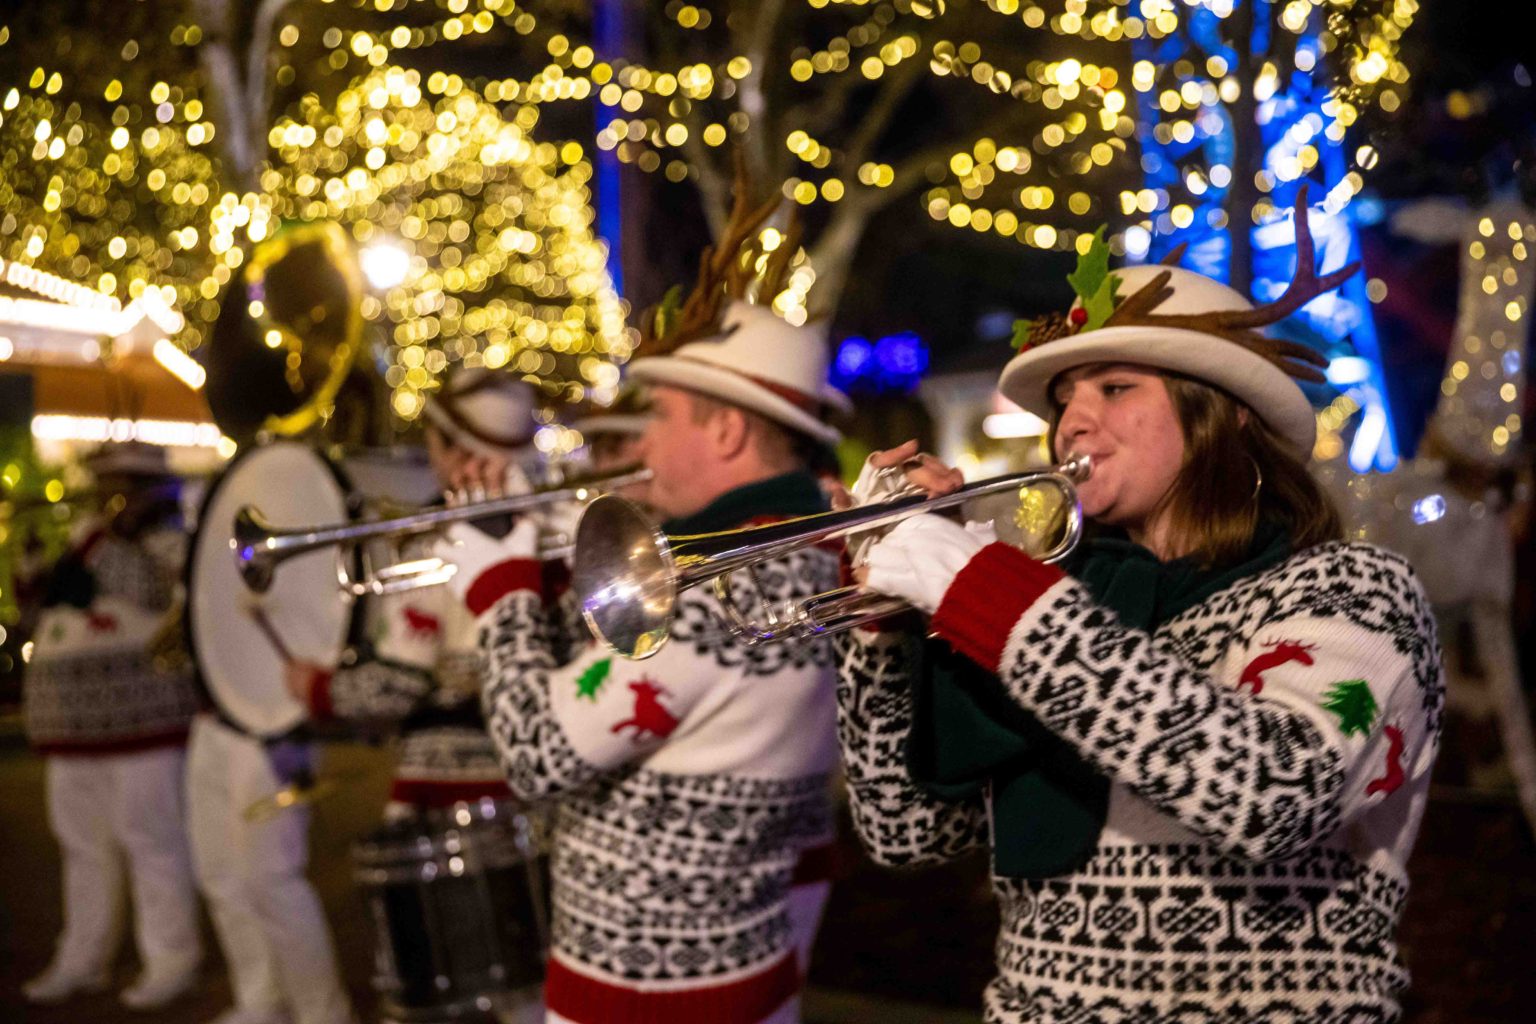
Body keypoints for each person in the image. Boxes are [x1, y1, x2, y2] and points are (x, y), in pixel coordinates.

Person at [836, 204, 1444, 1022]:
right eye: (1064, 402)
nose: (1071, 424)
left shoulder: (1354, 589)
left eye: (1116, 388)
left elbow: (1272, 794)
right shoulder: (1055, 607)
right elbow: (905, 830)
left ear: (1223, 413)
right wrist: (885, 626)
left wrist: (978, 587)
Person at [439, 209, 849, 1023]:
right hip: (740, 978)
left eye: (660, 414)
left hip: (647, 1001)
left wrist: (504, 590)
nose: (643, 440)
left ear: (728, 429)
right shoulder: (797, 556)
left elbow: (538, 753)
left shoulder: (714, 590)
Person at [284, 368, 543, 820]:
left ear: (455, 449)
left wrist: (320, 689)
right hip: (537, 797)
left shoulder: (436, 542)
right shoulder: (552, 526)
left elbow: (396, 686)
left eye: (433, 442)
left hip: (443, 793)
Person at [21, 441, 204, 1010]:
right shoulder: (84, 538)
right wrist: (34, 567)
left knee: (152, 842)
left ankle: (171, 959)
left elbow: (154, 594)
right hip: (70, 725)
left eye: (117, 485)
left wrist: (101, 540)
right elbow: (39, 616)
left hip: (142, 720)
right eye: (100, 485)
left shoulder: (169, 540)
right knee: (83, 849)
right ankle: (83, 957)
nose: (104, 498)